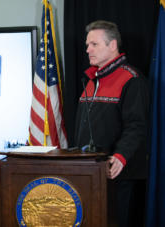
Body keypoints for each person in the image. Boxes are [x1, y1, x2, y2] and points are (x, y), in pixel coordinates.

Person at [74, 20, 149, 226]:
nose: (87, 50)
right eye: (87, 45)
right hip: (87, 171)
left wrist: (120, 156)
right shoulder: (91, 80)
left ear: (113, 45)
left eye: (94, 44)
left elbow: (137, 125)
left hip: (115, 174)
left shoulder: (131, 79)